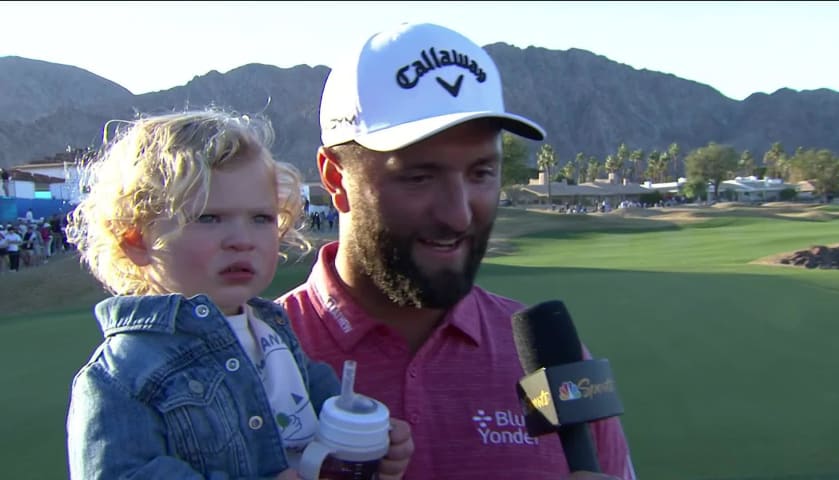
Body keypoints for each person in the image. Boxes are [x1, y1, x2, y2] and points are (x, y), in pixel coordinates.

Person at [276, 22, 636, 479]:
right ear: (334, 178)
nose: (458, 216)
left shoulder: (558, 363)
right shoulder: (255, 362)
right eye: (419, 177)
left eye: (481, 172)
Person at [65, 109, 413, 479]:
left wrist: (369, 445)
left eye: (261, 218)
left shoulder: (275, 333)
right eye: (208, 218)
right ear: (135, 240)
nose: (242, 241)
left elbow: (327, 421)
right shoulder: (122, 375)